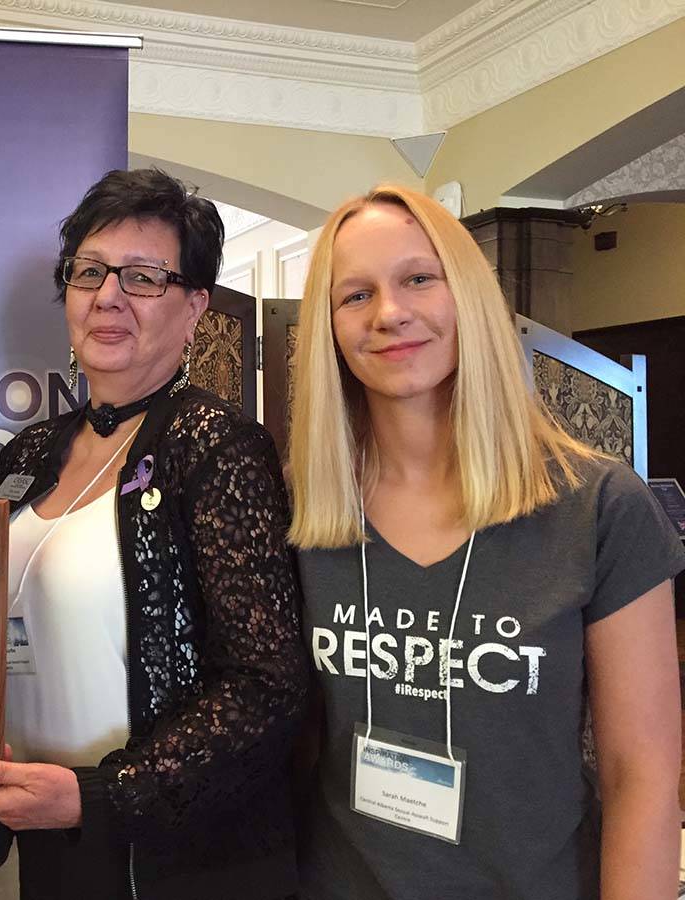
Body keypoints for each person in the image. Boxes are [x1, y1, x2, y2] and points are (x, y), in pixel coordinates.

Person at [0, 168, 309, 900]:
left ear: (194, 309)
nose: (109, 295)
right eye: (90, 272)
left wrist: (101, 795)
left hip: (174, 861)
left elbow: (267, 690)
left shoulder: (215, 447)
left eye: (144, 277)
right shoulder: (32, 451)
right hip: (45, 838)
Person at [287, 184, 685, 900]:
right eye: (355, 295)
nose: (390, 314)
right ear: (328, 329)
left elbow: (643, 776)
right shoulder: (300, 509)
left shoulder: (597, 506)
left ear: (466, 293)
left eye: (417, 278)